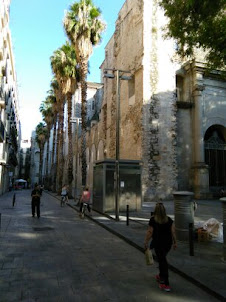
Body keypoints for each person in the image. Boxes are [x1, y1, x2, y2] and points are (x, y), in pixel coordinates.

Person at [144, 202, 177, 292]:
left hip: (158, 244)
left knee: (163, 262)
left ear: (155, 211)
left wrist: (146, 242)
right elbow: (173, 232)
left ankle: (165, 283)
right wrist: (175, 242)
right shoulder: (169, 220)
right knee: (162, 258)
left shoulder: (153, 220)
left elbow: (150, 232)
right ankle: (161, 275)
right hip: (167, 244)